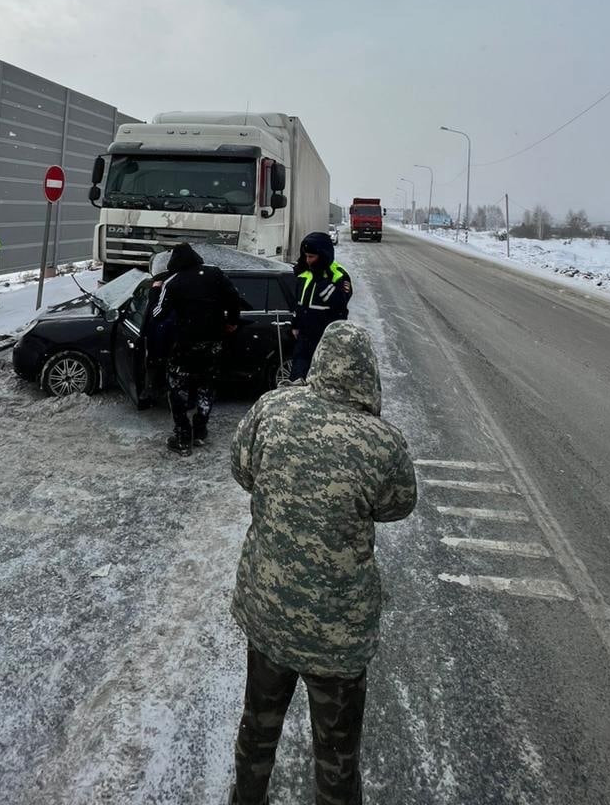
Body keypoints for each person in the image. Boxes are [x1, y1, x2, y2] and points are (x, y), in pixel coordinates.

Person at [228, 320, 417, 805]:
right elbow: (398, 505)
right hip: (339, 635)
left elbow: (241, 468)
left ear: (319, 363)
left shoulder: (272, 409)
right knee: (336, 753)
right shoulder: (383, 443)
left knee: (258, 728)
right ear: (367, 374)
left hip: (269, 613)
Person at [151, 242, 243, 456]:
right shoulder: (214, 274)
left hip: (186, 345)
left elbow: (158, 315)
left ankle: (183, 437)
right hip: (213, 343)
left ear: (174, 262)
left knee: (177, 388)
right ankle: (200, 432)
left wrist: (154, 292)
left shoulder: (173, 282)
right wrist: (233, 321)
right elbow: (234, 297)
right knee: (206, 387)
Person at [290, 231, 352, 382]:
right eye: (306, 256)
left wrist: (320, 277)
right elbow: (298, 303)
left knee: (322, 383)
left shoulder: (338, 275)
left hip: (327, 341)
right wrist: (295, 325)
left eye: (312, 257)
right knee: (296, 382)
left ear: (323, 256)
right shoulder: (304, 275)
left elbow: (337, 303)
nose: (308, 261)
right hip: (304, 339)